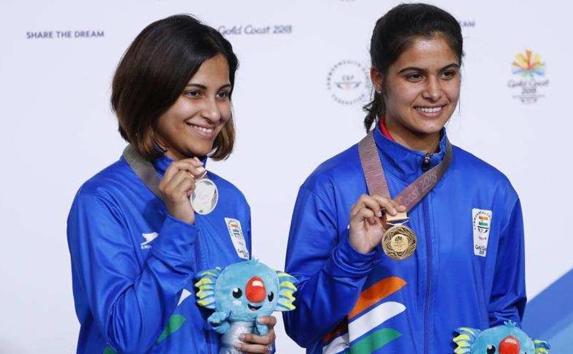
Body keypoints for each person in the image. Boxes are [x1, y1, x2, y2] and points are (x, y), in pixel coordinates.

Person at [283, 3, 526, 353]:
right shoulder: (331, 187)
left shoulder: (491, 190)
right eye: (414, 75)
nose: (434, 91)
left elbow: (505, 317)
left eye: (447, 73)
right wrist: (351, 255)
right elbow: (301, 324)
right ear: (378, 78)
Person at [67, 15, 276, 354]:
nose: (213, 112)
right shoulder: (102, 200)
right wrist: (178, 224)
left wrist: (258, 341)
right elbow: (126, 336)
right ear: (151, 95)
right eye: (194, 93)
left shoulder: (231, 201)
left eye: (222, 94)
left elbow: (232, 316)